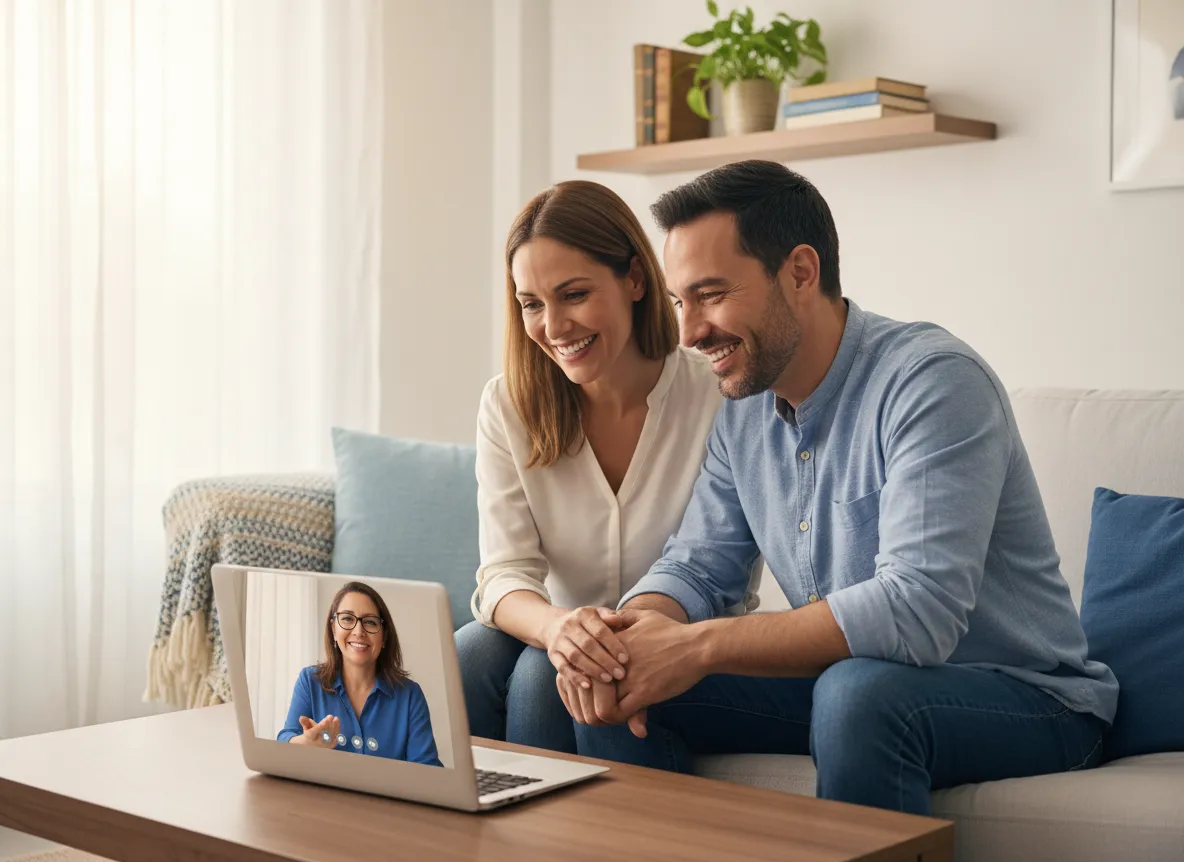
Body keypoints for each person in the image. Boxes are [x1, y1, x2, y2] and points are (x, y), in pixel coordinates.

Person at [570, 159, 1119, 816]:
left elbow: (918, 611)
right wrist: (625, 634)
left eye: (711, 295)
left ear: (801, 272)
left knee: (857, 695)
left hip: (1029, 697)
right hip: (851, 683)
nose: (688, 333)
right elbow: (697, 564)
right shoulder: (743, 411)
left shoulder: (932, 382)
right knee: (616, 680)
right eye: (679, 301)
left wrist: (695, 645)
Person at [454, 179, 758, 754]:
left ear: (635, 281)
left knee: (542, 678)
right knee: (471, 653)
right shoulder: (508, 405)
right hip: (556, 635)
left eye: (574, 294)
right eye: (532, 304)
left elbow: (718, 573)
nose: (554, 326)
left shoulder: (719, 396)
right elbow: (502, 575)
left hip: (678, 639)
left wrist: (585, 643)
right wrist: (561, 628)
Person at [279, 581, 443, 767]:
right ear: (333, 629)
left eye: (370, 622)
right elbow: (286, 738)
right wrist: (304, 743)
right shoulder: (310, 681)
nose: (359, 631)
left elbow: (428, 770)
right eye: (348, 619)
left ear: (384, 637)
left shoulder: (410, 695)